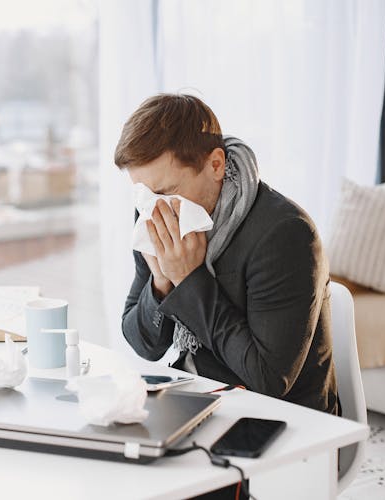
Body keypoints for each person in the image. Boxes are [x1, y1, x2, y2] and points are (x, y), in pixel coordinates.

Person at [116, 93, 339, 417]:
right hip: (196, 398)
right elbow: (144, 345)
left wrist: (188, 279)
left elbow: (269, 379)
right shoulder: (154, 212)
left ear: (216, 165)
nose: (153, 207)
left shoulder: (285, 234)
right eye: (143, 192)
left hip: (284, 419)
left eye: (165, 192)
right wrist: (162, 283)